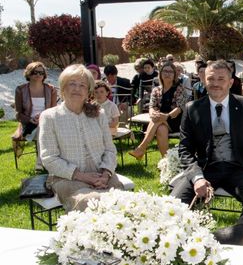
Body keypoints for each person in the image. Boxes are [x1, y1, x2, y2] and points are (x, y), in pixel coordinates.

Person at [170, 60, 243, 225]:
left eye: (221, 79)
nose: (215, 83)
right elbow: (185, 149)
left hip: (241, 169)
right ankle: (189, 243)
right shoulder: (192, 109)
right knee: (175, 203)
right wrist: (197, 178)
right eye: (211, 79)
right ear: (203, 80)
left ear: (231, 82)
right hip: (206, 168)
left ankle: (241, 237)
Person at [39, 65, 123, 211]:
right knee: (92, 201)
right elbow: (49, 158)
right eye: (72, 83)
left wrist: (105, 174)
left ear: (88, 91)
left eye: (82, 85)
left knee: (122, 200)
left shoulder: (99, 114)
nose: (77, 88)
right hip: (67, 178)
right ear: (63, 87)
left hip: (102, 175)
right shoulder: (50, 117)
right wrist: (83, 177)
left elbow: (110, 149)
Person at [129, 61, 189, 159]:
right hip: (161, 120)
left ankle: (142, 148)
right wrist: (153, 113)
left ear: (174, 75)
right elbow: (152, 106)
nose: (167, 74)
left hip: (176, 120)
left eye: (170, 72)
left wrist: (167, 116)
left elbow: (179, 108)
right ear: (160, 74)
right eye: (165, 71)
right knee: (161, 128)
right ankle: (166, 161)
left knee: (157, 120)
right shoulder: (156, 89)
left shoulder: (179, 88)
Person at [12, 62, 58, 165]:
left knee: (44, 126)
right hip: (29, 125)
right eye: (34, 72)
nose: (38, 75)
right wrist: (30, 120)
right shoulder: (20, 90)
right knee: (42, 128)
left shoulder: (51, 90)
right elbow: (18, 114)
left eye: (41, 73)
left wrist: (43, 118)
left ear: (44, 75)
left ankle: (40, 162)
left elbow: (54, 111)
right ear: (28, 73)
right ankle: (42, 162)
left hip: (48, 122)